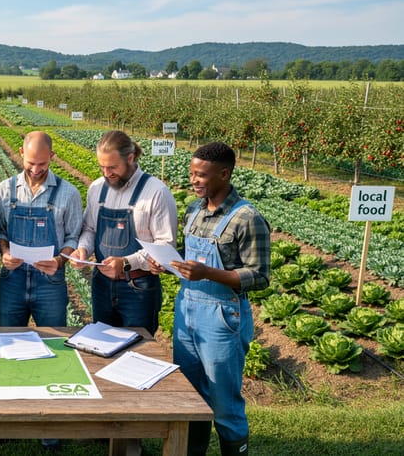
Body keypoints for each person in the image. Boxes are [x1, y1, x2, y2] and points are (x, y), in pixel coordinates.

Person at [169, 142, 270, 456]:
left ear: (224, 174)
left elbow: (260, 276)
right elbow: (190, 260)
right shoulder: (193, 210)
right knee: (188, 396)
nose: (194, 180)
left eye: (202, 175)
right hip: (187, 312)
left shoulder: (247, 218)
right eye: (192, 174)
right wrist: (172, 263)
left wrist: (207, 273)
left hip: (223, 317)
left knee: (224, 401)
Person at [0, 131, 82, 451]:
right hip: (13, 279)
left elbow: (73, 236)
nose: (35, 169)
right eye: (30, 163)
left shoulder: (68, 193)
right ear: (20, 154)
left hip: (50, 282)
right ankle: (7, 419)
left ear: (52, 158)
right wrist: (4, 252)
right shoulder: (4, 191)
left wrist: (60, 259)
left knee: (53, 347)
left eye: (42, 164)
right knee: (8, 346)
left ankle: (49, 423)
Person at [70, 130, 178, 336]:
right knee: (103, 344)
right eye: (102, 167)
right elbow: (90, 229)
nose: (106, 173)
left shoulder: (156, 192)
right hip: (101, 284)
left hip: (138, 287)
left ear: (130, 158)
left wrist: (126, 262)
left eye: (112, 167)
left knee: (138, 349)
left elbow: (165, 246)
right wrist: (83, 249)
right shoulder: (97, 188)